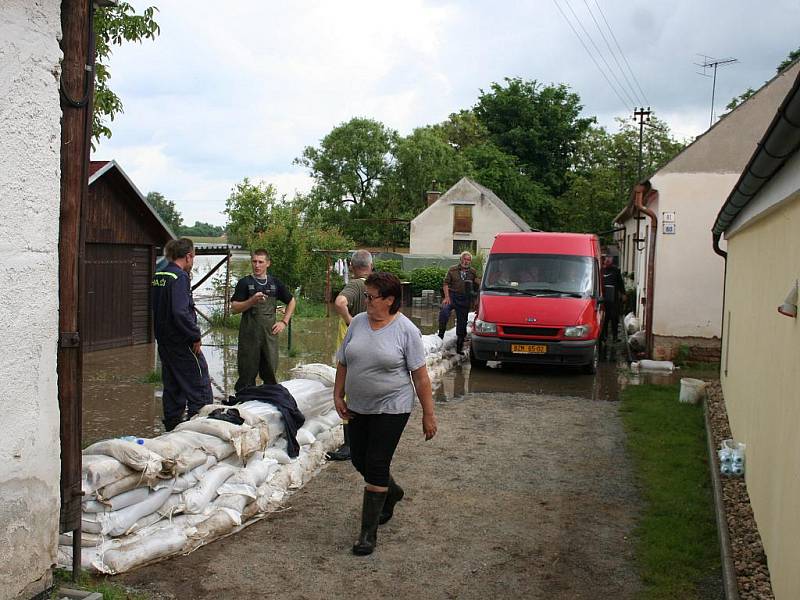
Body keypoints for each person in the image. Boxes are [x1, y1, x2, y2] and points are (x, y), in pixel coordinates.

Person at [334, 272, 437, 556]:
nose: (366, 301)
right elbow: (343, 362)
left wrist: (428, 414)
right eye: (365, 295)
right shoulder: (357, 323)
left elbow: (421, 377)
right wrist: (337, 394)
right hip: (358, 406)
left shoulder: (406, 331)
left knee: (377, 463)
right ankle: (392, 493)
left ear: (390, 300)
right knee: (359, 459)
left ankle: (367, 534)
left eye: (371, 297)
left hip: (393, 407)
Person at [151, 237, 212, 431]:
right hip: (182, 342)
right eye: (193, 257)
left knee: (173, 388)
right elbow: (180, 311)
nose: (192, 262)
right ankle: (201, 430)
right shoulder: (180, 277)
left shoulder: (160, 275)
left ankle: (172, 429)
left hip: (165, 342)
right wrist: (195, 335)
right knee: (200, 386)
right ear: (187, 256)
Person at [328, 249, 374, 461]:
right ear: (370, 266)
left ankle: (349, 445)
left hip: (350, 346)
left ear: (352, 267)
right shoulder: (375, 286)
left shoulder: (355, 285)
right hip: (368, 343)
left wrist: (349, 320)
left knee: (346, 391)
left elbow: (339, 303)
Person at [231, 249, 296, 391]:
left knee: (271, 374)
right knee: (246, 375)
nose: (257, 265)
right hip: (249, 336)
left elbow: (291, 301)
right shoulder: (244, 283)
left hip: (269, 336)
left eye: (261, 262)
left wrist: (284, 322)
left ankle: (270, 402)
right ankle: (244, 403)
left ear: (268, 263)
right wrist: (251, 301)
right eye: (254, 261)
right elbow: (234, 308)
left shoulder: (275, 283)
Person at [437, 251, 480, 354]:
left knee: (462, 324)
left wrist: (476, 300)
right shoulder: (452, 269)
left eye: (468, 260)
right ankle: (440, 336)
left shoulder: (473, 272)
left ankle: (459, 348)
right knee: (444, 312)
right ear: (461, 260)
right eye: (465, 259)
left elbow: (478, 285)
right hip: (452, 296)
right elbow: (445, 284)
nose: (466, 261)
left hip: (464, 298)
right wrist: (446, 297)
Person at [601, 255, 626, 343]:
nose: (607, 259)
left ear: (612, 259)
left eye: (609, 258)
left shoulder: (616, 270)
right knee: (604, 318)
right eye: (606, 258)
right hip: (602, 299)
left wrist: (623, 293)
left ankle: (615, 337)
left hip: (614, 299)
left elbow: (620, 283)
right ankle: (604, 336)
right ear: (604, 259)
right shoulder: (601, 270)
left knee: (614, 318)